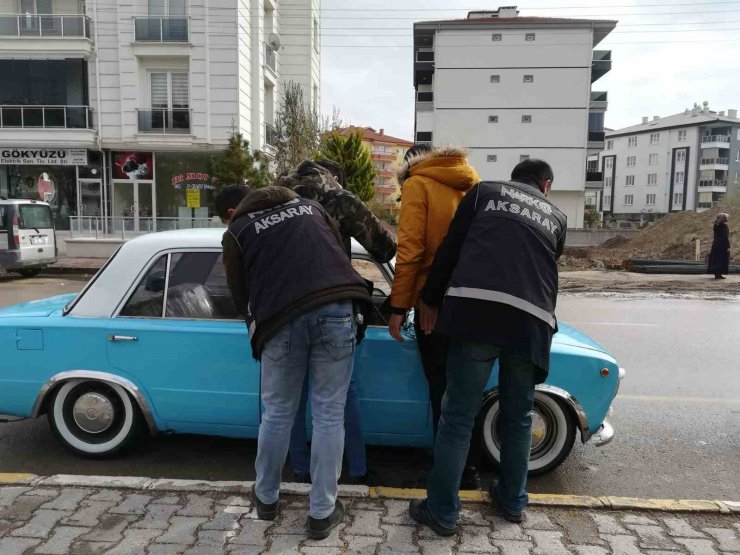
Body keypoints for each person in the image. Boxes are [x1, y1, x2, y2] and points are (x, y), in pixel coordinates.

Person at [408, 159, 567, 535]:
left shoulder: (483, 192)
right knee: (519, 416)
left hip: (476, 313)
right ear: (545, 185)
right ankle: (512, 501)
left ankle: (443, 512)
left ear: (513, 178)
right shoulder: (557, 217)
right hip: (531, 323)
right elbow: (545, 266)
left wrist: (429, 299)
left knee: (458, 416)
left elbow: (451, 248)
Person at [222, 185, 371, 539]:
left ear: (234, 211)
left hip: (280, 319)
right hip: (337, 307)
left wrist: (258, 332)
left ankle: (266, 500)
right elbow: (336, 253)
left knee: (277, 414)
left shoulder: (238, 231)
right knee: (329, 414)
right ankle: (321, 513)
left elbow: (239, 295)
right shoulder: (311, 208)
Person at [275, 159, 396, 486]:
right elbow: (385, 248)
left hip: (282, 308)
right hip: (330, 304)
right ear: (336, 177)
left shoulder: (273, 196)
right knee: (341, 395)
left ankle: (300, 469)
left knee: (292, 395)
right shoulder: (340, 198)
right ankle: (356, 471)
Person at [387, 145, 481, 489]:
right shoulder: (471, 181)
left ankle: (447, 475)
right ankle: (467, 467)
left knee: (440, 388)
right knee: (463, 391)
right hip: (471, 299)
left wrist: (398, 307)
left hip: (432, 303)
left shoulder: (418, 184)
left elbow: (410, 249)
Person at [708, 212, 731, 279]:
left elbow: (719, 234)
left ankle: (717, 274)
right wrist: (728, 246)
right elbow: (725, 237)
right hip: (722, 246)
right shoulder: (724, 226)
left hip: (715, 245)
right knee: (721, 260)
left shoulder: (716, 225)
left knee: (716, 260)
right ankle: (719, 274)